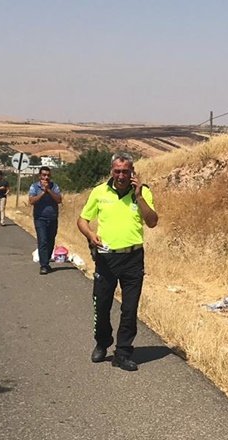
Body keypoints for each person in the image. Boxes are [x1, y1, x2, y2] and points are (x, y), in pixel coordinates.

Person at [77, 152, 158, 372]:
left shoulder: (143, 192)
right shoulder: (99, 192)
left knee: (129, 309)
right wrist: (90, 235)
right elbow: (82, 220)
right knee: (102, 305)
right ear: (111, 171)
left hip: (133, 258)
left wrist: (139, 196)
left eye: (125, 171)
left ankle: (123, 352)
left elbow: (152, 222)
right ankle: (102, 342)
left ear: (132, 172)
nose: (121, 175)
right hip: (106, 258)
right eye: (117, 171)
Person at [28, 166, 62, 275]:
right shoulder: (34, 187)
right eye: (44, 175)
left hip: (52, 218)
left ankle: (46, 262)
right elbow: (31, 201)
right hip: (40, 218)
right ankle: (43, 265)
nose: (46, 177)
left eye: (48, 175)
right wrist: (43, 192)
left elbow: (59, 199)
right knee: (42, 240)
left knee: (50, 241)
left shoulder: (54, 186)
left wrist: (48, 190)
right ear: (40, 176)